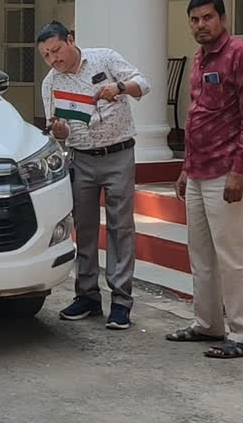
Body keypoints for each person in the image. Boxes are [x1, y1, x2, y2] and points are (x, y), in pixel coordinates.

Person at [167, 0, 243, 359]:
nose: (200, 25)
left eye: (207, 18)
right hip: (197, 170)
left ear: (221, 18)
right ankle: (208, 324)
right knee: (202, 254)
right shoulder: (199, 58)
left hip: (227, 170)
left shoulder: (241, 54)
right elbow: (198, 116)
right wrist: (185, 168)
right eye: (194, 20)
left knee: (234, 254)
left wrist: (240, 170)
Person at [37, 21, 151, 330]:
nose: (54, 60)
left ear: (71, 40)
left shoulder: (104, 59)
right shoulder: (50, 83)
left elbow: (143, 83)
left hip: (118, 154)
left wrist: (119, 87)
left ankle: (121, 301)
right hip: (82, 158)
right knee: (84, 229)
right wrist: (59, 130)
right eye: (46, 55)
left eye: (57, 50)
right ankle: (86, 296)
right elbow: (56, 126)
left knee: (120, 227)